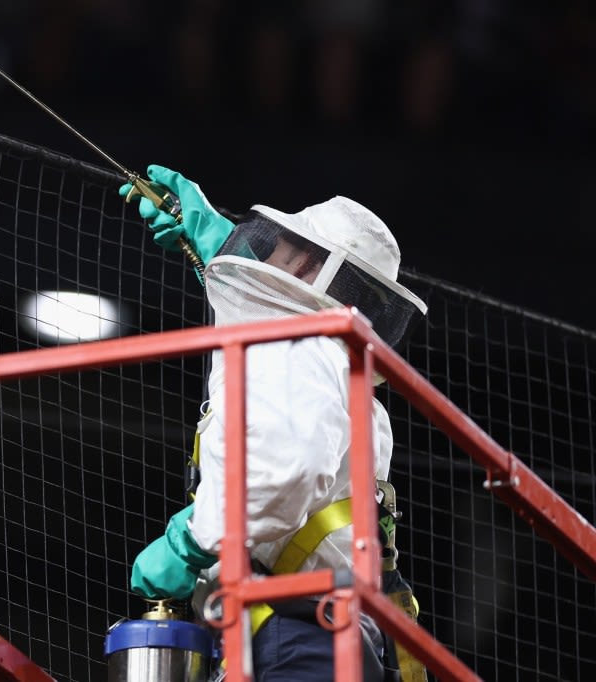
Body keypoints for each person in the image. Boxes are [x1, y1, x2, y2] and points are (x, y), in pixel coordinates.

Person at [120, 164, 429, 681]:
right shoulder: (328, 360)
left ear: (307, 265)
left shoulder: (295, 347)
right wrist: (213, 241)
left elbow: (288, 468)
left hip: (296, 640)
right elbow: (260, 315)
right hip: (323, 638)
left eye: (280, 248)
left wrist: (192, 541)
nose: (262, 255)